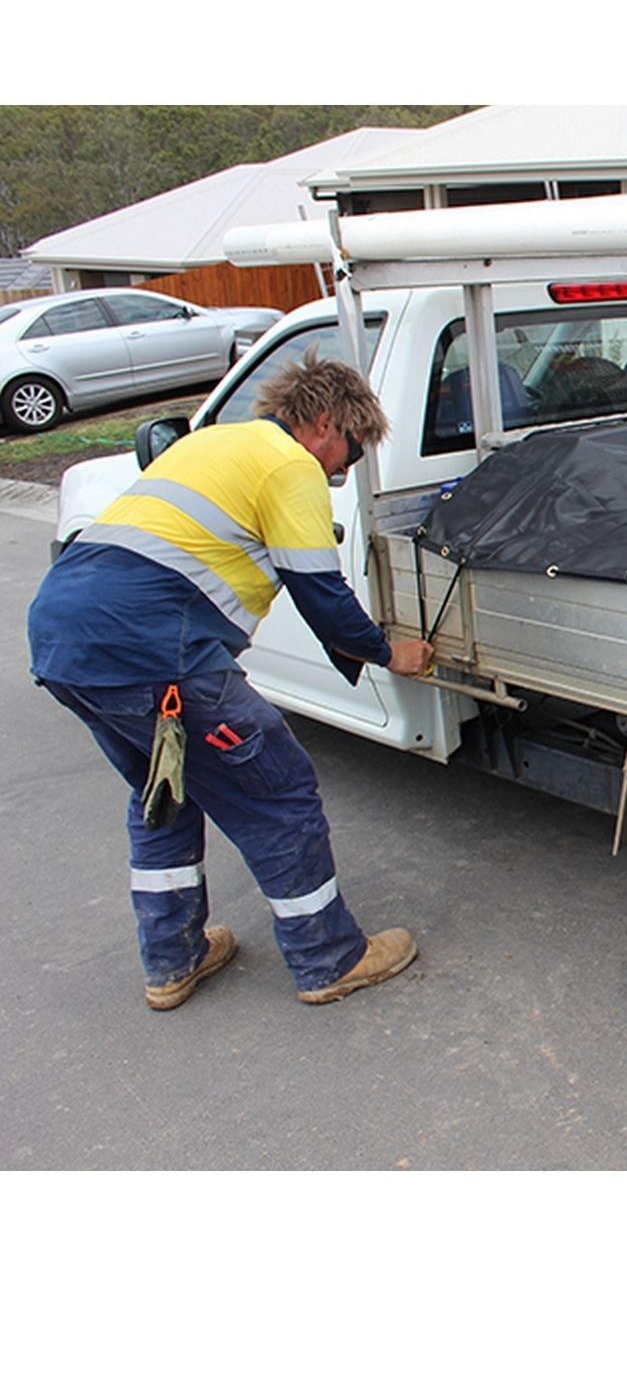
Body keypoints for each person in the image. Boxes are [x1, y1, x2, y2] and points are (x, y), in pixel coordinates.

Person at [28, 346, 434, 1010]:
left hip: (62, 638)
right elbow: (321, 594)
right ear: (325, 423)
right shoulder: (289, 464)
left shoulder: (212, 443)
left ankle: (173, 961)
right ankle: (329, 958)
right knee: (278, 792)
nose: (343, 471)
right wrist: (391, 655)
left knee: (165, 792)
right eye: (352, 451)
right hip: (153, 654)